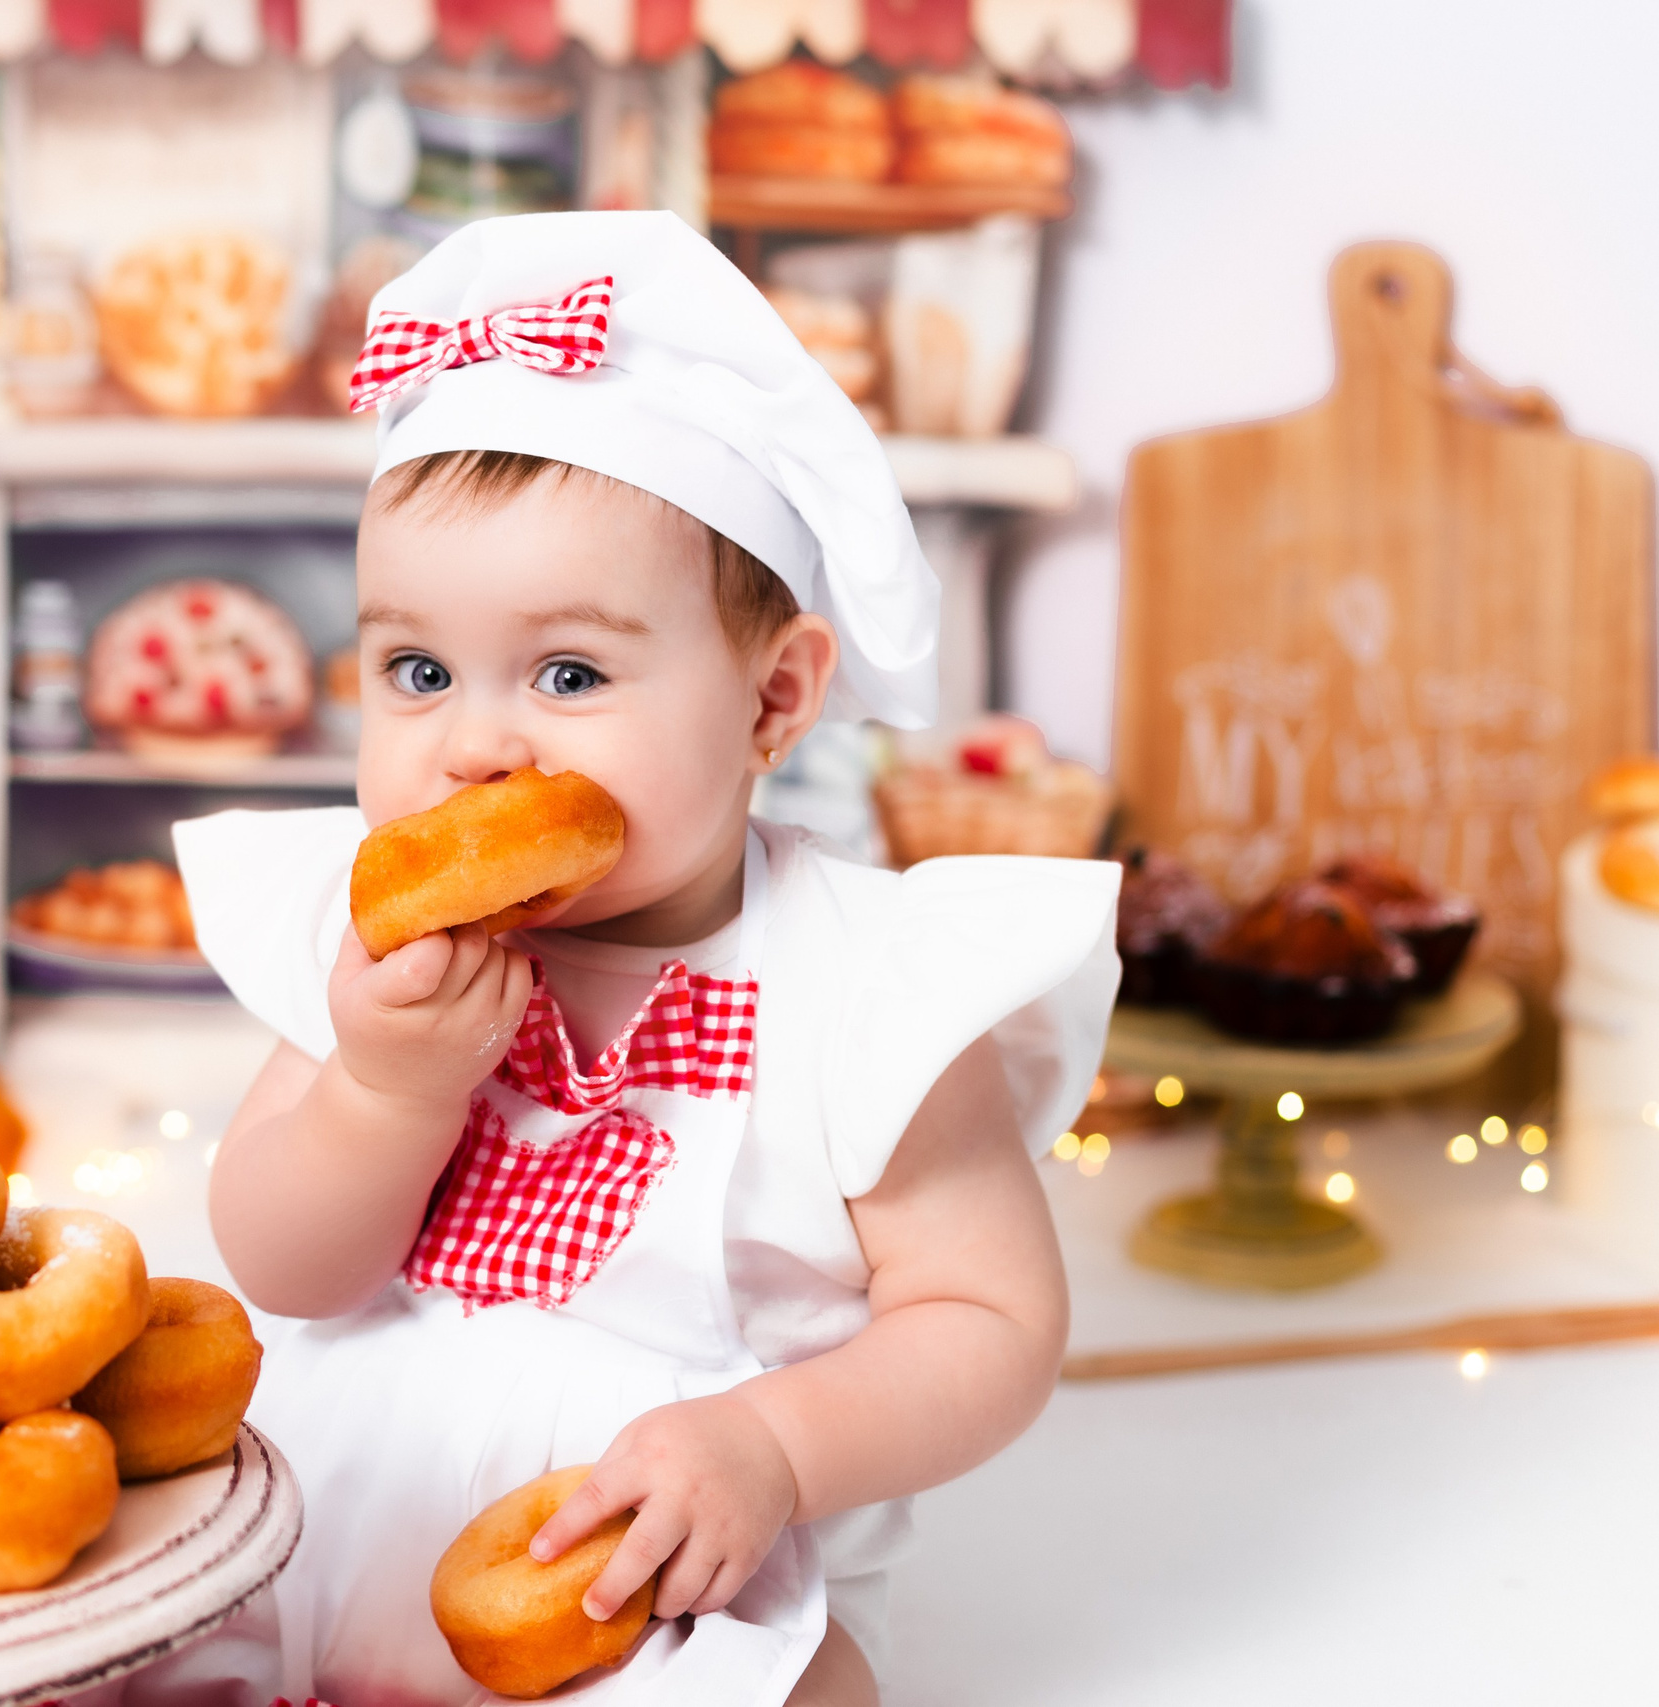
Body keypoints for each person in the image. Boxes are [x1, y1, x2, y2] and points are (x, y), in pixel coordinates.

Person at [144, 211, 1118, 1707]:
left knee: (811, 1693)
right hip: (335, 1513)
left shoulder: (861, 988)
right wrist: (383, 1095)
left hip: (645, 1566)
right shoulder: (380, 947)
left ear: (773, 700)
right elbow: (285, 1268)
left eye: (570, 673)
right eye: (418, 670)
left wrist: (777, 1448)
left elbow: (988, 1320)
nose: (474, 742)